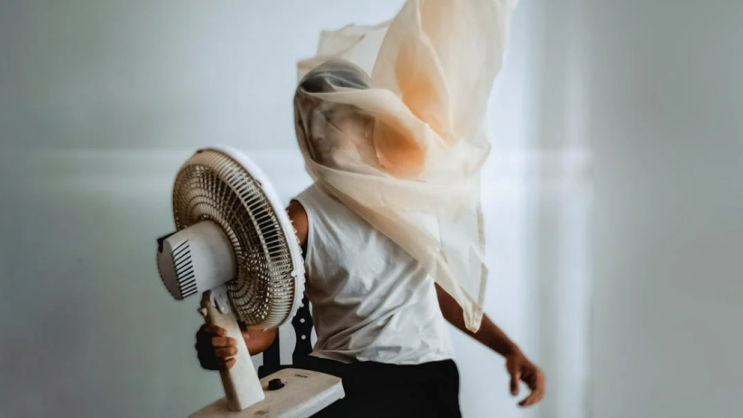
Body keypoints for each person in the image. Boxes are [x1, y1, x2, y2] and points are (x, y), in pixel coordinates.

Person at [195, 64, 545, 414]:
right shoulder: (300, 218)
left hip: (431, 378)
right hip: (348, 381)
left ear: (365, 119)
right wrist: (230, 343)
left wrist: (509, 350)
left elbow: (438, 289)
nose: (317, 132)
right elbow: (265, 324)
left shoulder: (414, 190)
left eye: (330, 117)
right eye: (307, 121)